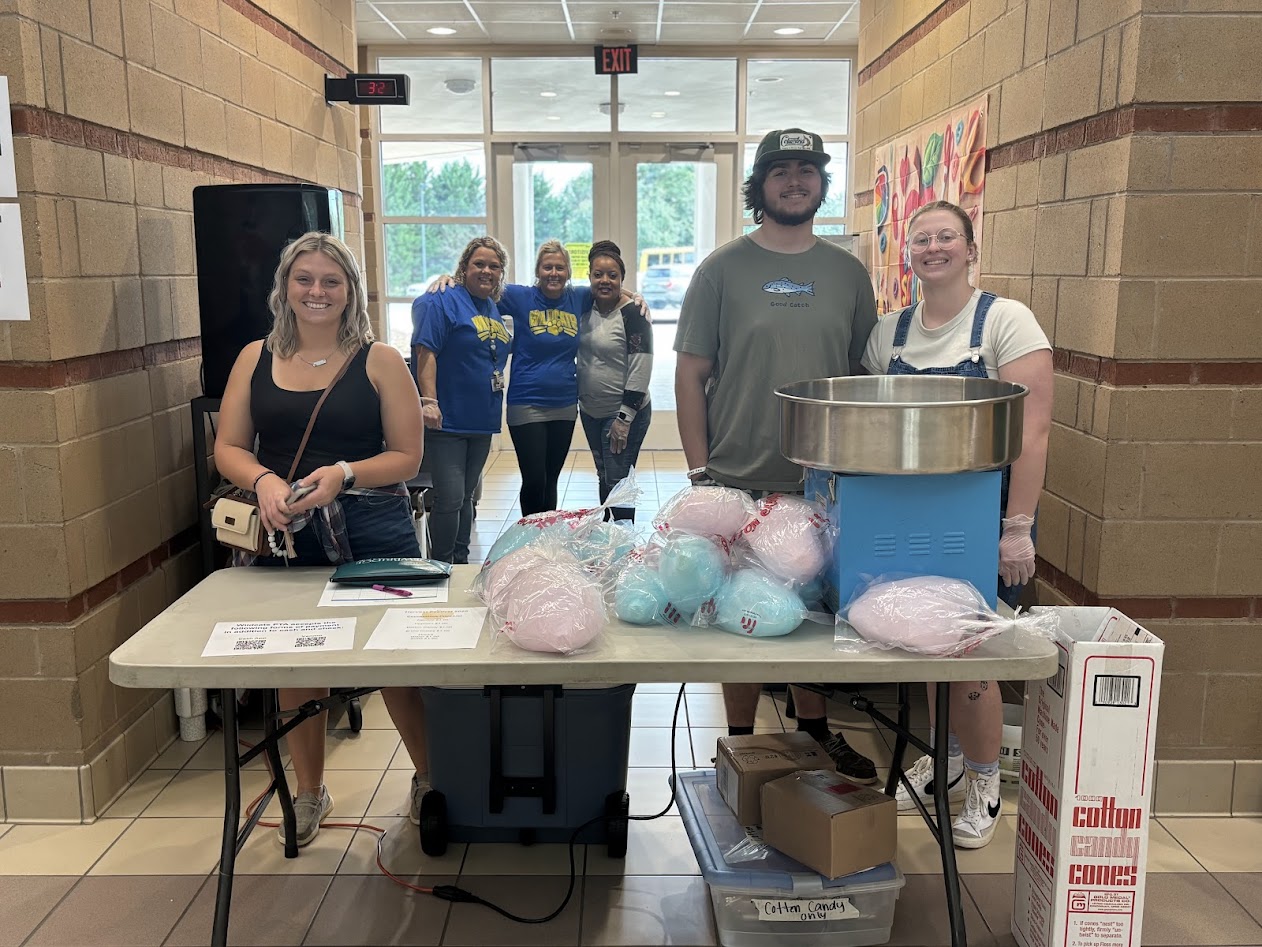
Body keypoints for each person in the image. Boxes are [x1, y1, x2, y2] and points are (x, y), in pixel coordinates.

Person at [673, 128, 879, 783]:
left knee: (813, 612)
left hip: (818, 481)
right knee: (743, 613)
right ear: (759, 186)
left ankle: (815, 730)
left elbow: (857, 374)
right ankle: (740, 740)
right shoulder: (721, 270)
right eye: (781, 171)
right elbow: (690, 373)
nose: (795, 182)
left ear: (821, 183)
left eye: (807, 171)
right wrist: (701, 471)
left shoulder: (847, 273)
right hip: (737, 473)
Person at [213, 232, 432, 846]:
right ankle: (309, 791)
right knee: (296, 662)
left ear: (350, 292)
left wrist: (345, 473)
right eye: (304, 279)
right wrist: (261, 480)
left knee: (397, 659)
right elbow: (228, 446)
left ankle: (429, 776)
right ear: (284, 286)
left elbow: (408, 458)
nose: (317, 291)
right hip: (287, 529)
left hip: (372, 523)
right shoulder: (254, 358)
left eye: (331, 281)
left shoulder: (380, 359)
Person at [862, 200, 1052, 848]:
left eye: (947, 237)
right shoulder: (889, 333)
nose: (933, 247)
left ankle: (984, 782)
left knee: (973, 660)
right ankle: (944, 756)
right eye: (922, 239)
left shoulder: (1005, 322)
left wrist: (1017, 526)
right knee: (922, 641)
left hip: (982, 521)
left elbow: (1033, 429)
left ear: (971, 248)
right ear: (908, 253)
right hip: (907, 517)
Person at [426, 241, 647, 517]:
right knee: (534, 479)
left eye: (559, 267)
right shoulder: (518, 296)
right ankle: (529, 541)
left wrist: (635, 297)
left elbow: (607, 289)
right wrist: (450, 280)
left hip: (565, 404)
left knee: (551, 479)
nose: (553, 273)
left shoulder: (577, 297)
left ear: (568, 273)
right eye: (547, 267)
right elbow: (482, 284)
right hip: (526, 402)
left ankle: (547, 537)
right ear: (538, 271)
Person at [412, 236, 512, 564]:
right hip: (448, 419)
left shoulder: (491, 306)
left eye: (494, 266)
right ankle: (442, 565)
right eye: (479, 264)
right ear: (463, 268)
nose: (486, 271)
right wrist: (429, 401)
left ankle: (461, 561)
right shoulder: (441, 299)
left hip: (482, 418)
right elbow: (426, 351)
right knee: (450, 497)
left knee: (468, 496)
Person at [579, 240, 654, 521]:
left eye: (612, 275)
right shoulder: (584, 306)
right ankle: (608, 541)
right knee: (604, 477)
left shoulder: (634, 313)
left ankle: (622, 546)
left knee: (618, 482)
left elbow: (641, 367)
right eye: (598, 274)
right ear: (589, 276)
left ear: (622, 279)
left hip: (622, 414)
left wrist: (624, 419)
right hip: (590, 411)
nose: (605, 280)